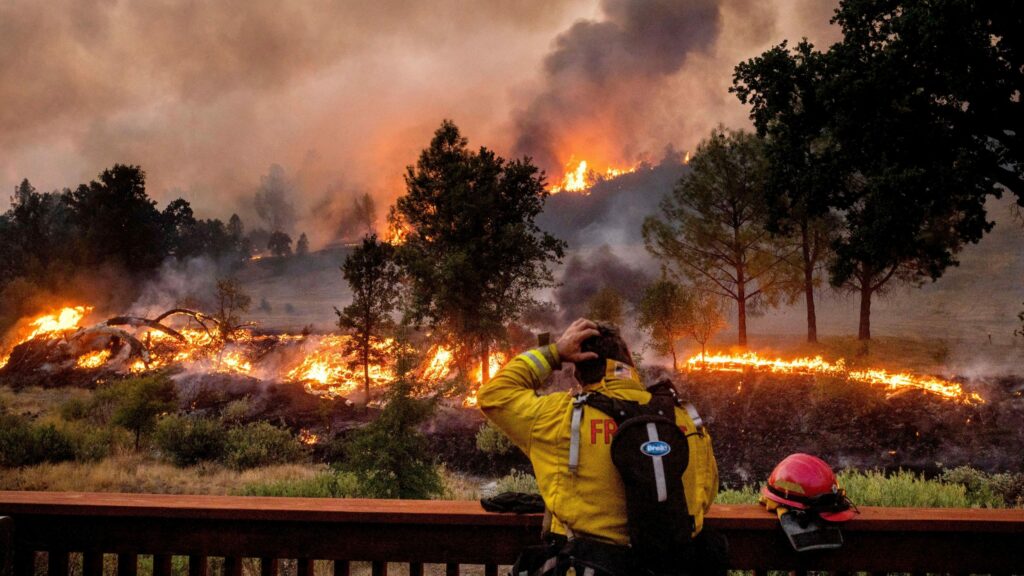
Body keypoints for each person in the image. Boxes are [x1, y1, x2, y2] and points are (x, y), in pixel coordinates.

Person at [478, 318, 722, 575]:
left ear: (578, 371)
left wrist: (555, 352)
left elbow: (494, 394)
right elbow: (705, 495)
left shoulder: (561, 417)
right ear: (630, 364)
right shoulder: (685, 418)